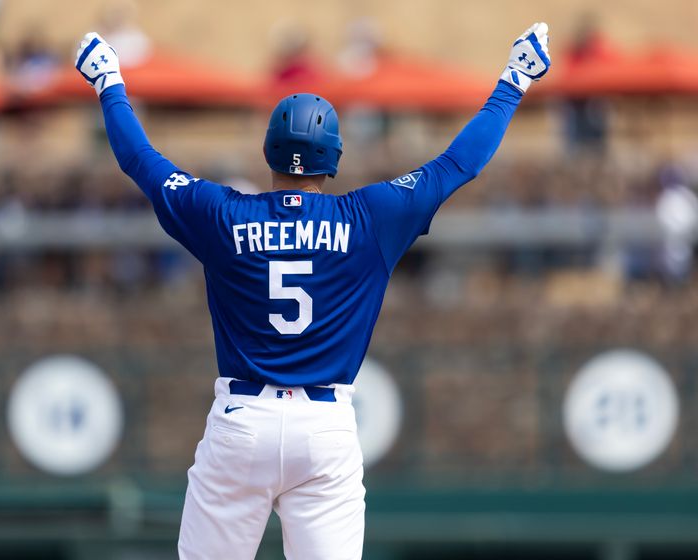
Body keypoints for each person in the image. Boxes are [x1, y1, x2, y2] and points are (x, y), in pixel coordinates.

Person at [75, 22, 551, 560]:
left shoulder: (223, 215)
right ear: (333, 155)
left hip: (242, 423)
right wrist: (515, 80)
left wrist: (108, 80)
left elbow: (140, 160)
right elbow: (458, 164)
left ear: (270, 151)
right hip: (325, 425)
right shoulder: (370, 217)